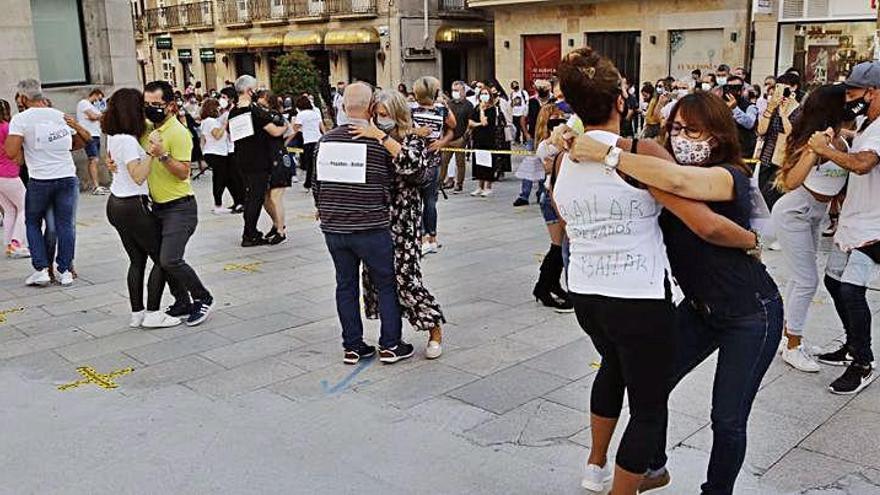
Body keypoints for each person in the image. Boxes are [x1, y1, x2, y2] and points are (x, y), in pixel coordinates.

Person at [568, 88, 780, 494]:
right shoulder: (660, 170)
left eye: (694, 130)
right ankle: (653, 466)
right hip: (700, 310)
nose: (682, 137)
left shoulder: (728, 175)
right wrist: (573, 138)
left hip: (751, 313)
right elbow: (655, 168)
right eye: (676, 128)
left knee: (727, 417)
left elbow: (697, 207)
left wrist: (604, 152)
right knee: (650, 385)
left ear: (718, 134)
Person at [313, 82, 413, 364]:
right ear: (371, 108)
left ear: (343, 108)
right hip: (372, 225)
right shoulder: (378, 142)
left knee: (345, 284)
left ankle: (353, 346)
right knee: (385, 284)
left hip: (334, 227)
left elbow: (316, 184)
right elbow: (395, 183)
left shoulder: (326, 141)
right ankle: (391, 344)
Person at [353, 90, 446, 359]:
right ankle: (392, 338)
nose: (380, 120)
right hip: (375, 218)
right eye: (377, 115)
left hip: (403, 220)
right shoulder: (369, 139)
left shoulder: (414, 139)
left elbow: (411, 166)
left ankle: (434, 328)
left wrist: (382, 137)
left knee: (406, 279)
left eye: (384, 115)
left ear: (397, 115)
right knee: (378, 279)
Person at [805, 61, 880, 395]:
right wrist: (841, 137)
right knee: (834, 283)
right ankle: (852, 344)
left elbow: (863, 164)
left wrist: (823, 150)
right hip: (853, 220)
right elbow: (858, 144)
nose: (848, 98)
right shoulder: (867, 122)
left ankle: (863, 362)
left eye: (853, 92)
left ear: (874, 92)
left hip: (875, 227)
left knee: (851, 290)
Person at [771, 84, 849, 373]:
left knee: (798, 278)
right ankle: (793, 345)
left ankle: (788, 337)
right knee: (806, 280)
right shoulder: (811, 142)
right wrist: (815, 151)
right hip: (795, 211)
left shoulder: (842, 138)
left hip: (816, 214)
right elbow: (790, 182)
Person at [103, 88, 181, 329]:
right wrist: (151, 152)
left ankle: (137, 313)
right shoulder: (126, 140)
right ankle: (154, 313)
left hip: (117, 203)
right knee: (162, 259)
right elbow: (137, 176)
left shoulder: (114, 136)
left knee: (136, 260)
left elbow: (117, 168)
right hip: (131, 205)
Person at [141, 80, 214, 326]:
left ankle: (202, 297)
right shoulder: (147, 130)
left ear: (170, 105)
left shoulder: (178, 133)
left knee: (170, 259)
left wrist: (162, 154)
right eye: (146, 104)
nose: (151, 109)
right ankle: (182, 300)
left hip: (180, 207)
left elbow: (183, 172)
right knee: (162, 259)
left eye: (156, 104)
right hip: (157, 207)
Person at [6, 79, 89, 287]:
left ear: (23, 97)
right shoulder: (59, 114)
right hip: (67, 177)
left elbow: (10, 152)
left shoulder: (21, 119)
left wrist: (25, 143)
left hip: (41, 179)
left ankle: (42, 269)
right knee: (66, 225)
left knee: (32, 222)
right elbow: (77, 143)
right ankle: (65, 270)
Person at [227, 76, 288, 247]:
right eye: (255, 89)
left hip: (241, 159)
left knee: (250, 196)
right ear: (249, 91)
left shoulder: (234, 111)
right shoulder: (255, 112)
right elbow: (275, 132)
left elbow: (231, 134)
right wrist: (286, 127)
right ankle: (250, 234)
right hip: (258, 160)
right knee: (256, 198)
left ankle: (250, 231)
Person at [411, 76, 456, 255]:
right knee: (430, 201)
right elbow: (453, 127)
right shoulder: (441, 110)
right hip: (433, 160)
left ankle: (422, 238)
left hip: (416, 159)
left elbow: (403, 128)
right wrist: (441, 142)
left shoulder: (410, 110)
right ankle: (432, 238)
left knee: (419, 200)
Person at [757, 72, 801, 209]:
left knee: (770, 197)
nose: (781, 93)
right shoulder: (773, 107)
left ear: (794, 88)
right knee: (759, 195)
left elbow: (792, 133)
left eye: (785, 89)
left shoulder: (800, 110)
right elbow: (761, 130)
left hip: (784, 159)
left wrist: (783, 114)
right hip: (767, 157)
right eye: (779, 88)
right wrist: (771, 108)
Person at [256, 90, 292, 245]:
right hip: (269, 159)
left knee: (275, 197)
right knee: (265, 197)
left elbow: (278, 131)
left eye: (261, 98)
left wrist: (284, 131)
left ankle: (281, 232)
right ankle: (277, 224)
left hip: (278, 159)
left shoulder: (274, 116)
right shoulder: (264, 115)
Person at [0, 99, 29, 258]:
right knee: (25, 206)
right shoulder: (6, 127)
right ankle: (17, 243)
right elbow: (15, 147)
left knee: (10, 209)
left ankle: (9, 243)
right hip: (8, 172)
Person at [199, 98, 234, 214]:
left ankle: (218, 204)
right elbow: (217, 135)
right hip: (216, 153)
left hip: (212, 152)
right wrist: (224, 124)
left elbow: (203, 140)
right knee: (220, 179)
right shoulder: (211, 122)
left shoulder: (206, 121)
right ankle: (218, 205)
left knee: (220, 178)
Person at [440, 81, 474, 193]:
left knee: (460, 163)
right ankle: (439, 183)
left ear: (463, 91)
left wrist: (464, 138)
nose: (455, 93)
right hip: (448, 138)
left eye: (457, 90)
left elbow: (470, 124)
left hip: (460, 138)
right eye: (453, 90)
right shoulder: (449, 104)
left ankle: (459, 184)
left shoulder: (468, 105)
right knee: (444, 162)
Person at [77, 88, 109, 195]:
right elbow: (93, 116)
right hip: (88, 135)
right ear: (95, 94)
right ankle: (95, 186)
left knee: (95, 159)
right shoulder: (84, 103)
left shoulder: (93, 106)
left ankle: (97, 185)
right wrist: (104, 113)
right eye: (99, 99)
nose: (99, 101)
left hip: (96, 135)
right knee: (93, 159)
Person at [468, 86, 499, 196]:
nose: (483, 96)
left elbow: (485, 123)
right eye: (482, 93)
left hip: (488, 139)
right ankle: (479, 186)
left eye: (486, 93)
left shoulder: (492, 109)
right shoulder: (476, 107)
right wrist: (479, 124)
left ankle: (488, 186)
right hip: (477, 138)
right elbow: (470, 122)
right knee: (478, 162)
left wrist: (482, 111)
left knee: (487, 163)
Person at [292, 95, 325, 190]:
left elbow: (295, 128)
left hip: (308, 141)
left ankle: (308, 183)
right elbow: (322, 127)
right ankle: (318, 182)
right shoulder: (316, 114)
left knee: (309, 164)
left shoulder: (301, 115)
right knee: (317, 163)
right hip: (318, 139)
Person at [723, 75, 758, 158]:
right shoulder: (721, 104)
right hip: (726, 149)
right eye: (730, 87)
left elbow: (750, 124)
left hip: (743, 150)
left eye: (736, 87)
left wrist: (735, 108)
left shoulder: (750, 106)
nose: (733, 91)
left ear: (742, 90)